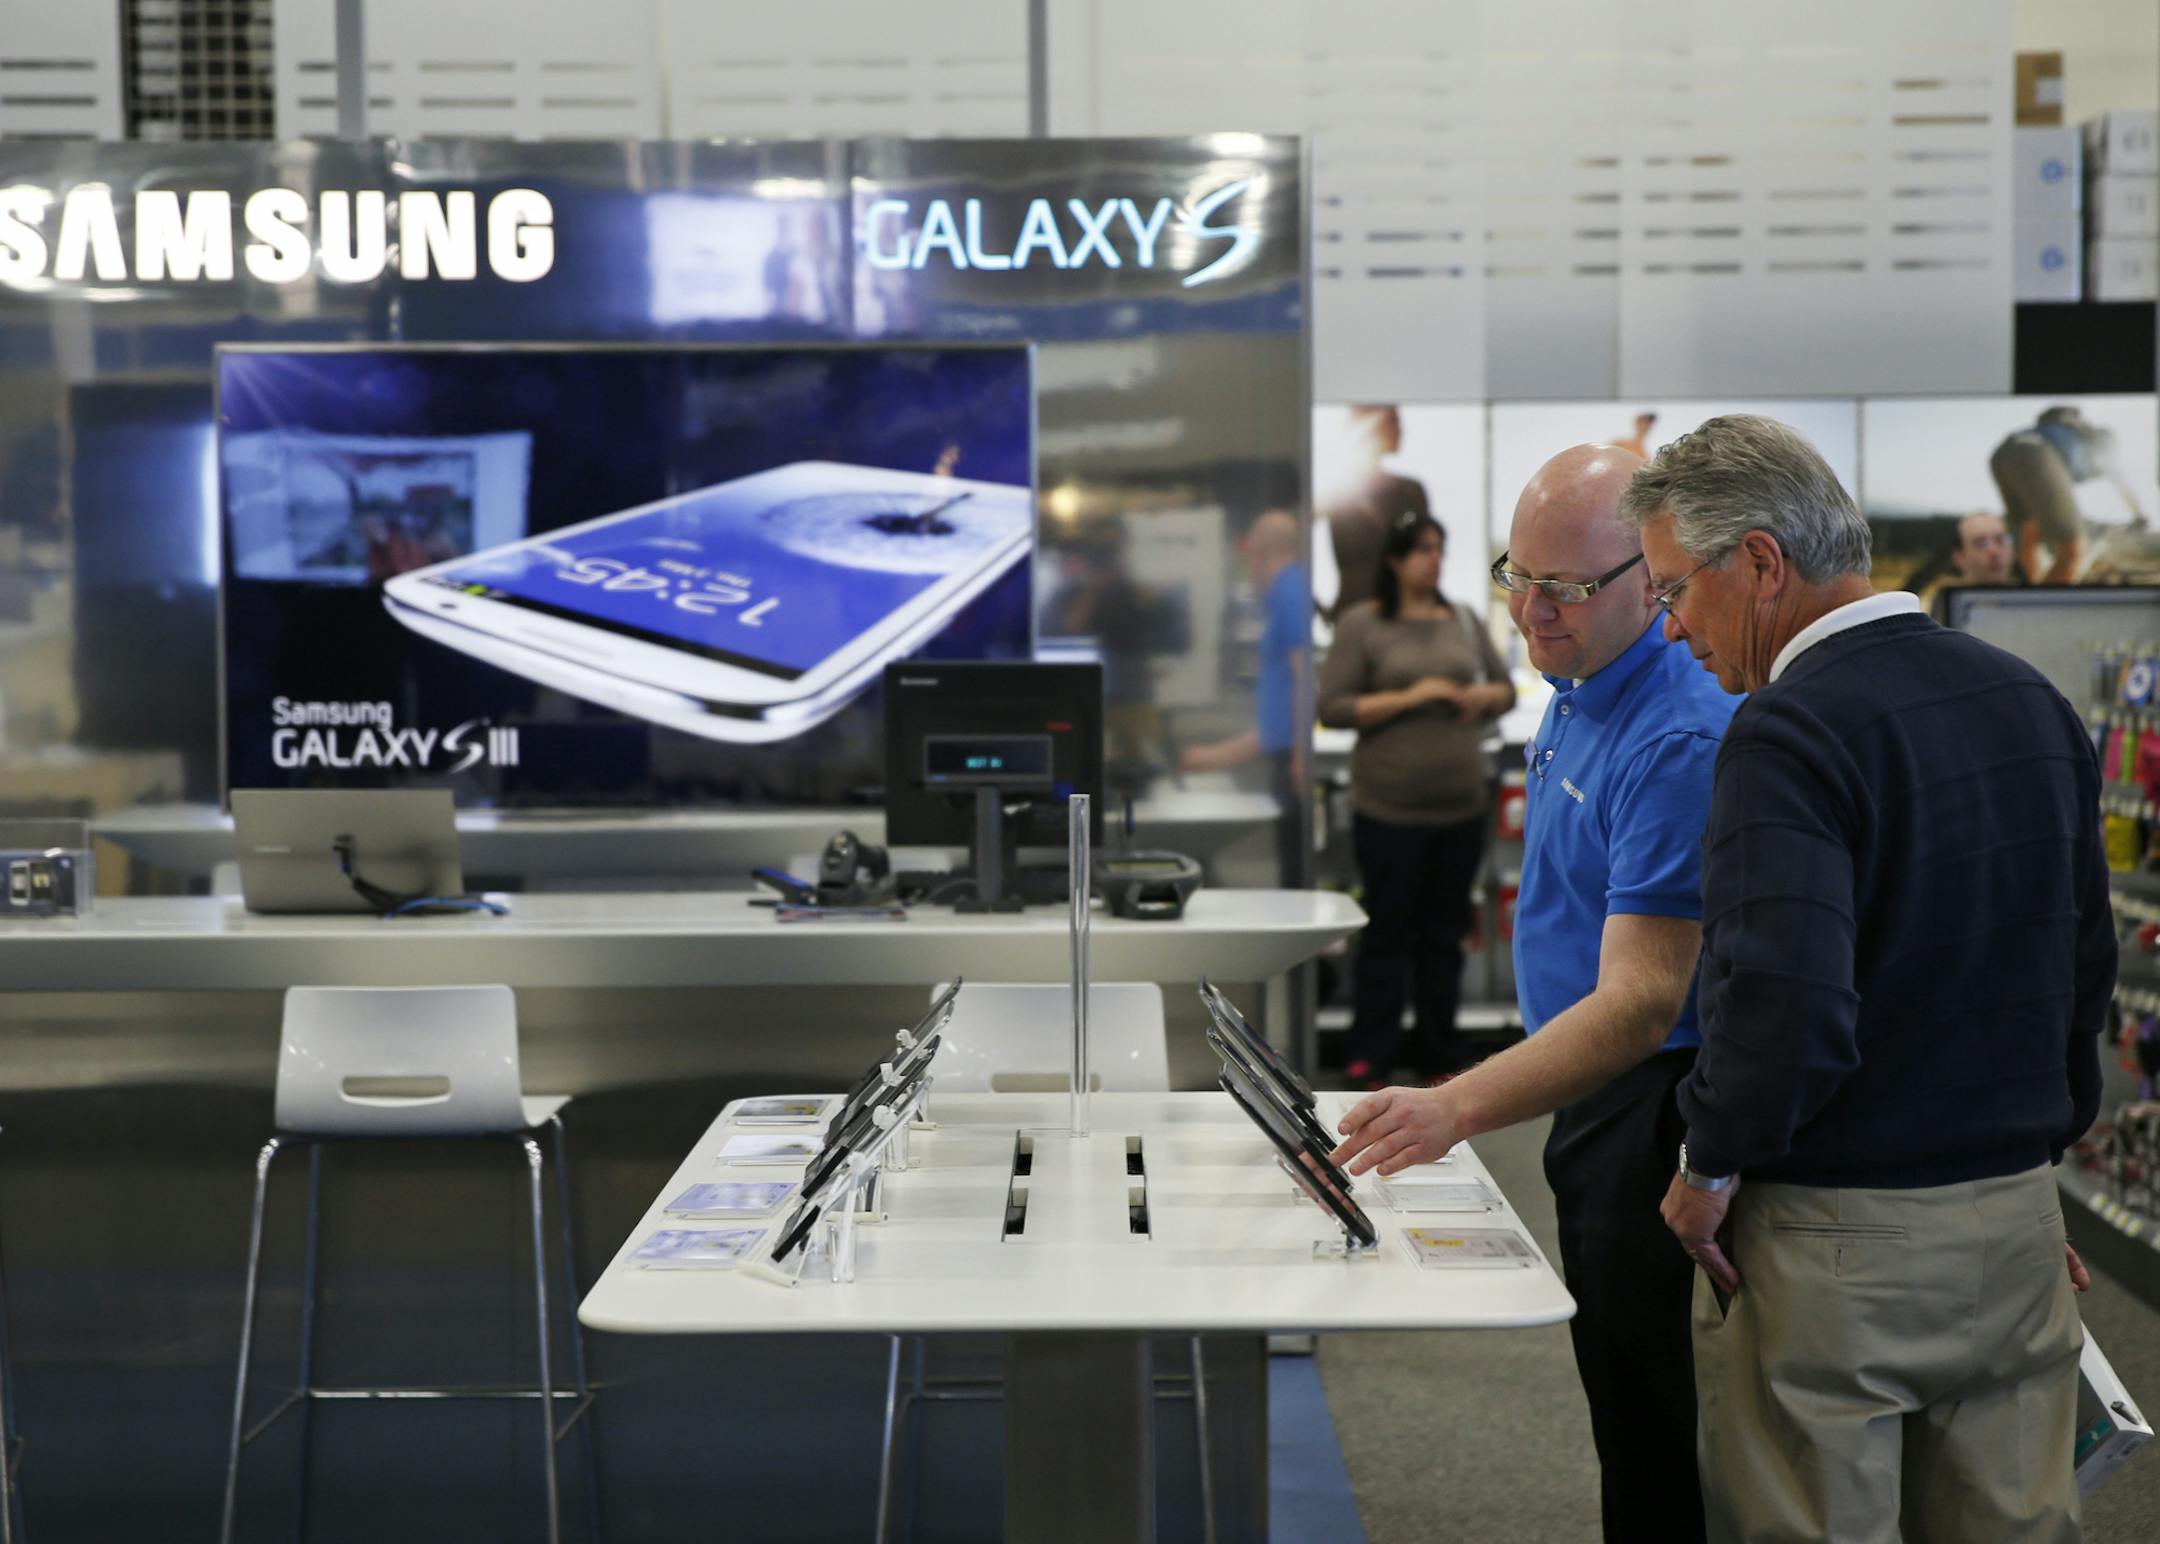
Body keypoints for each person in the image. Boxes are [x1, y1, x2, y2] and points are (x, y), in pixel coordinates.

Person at [1628, 414, 2113, 1544]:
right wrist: (2025, 1160)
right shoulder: (2028, 699)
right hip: (2016, 1223)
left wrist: (1705, 1167)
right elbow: (2080, 963)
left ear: (1758, 562)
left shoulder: (1785, 730)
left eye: (1672, 590)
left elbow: (1780, 1002)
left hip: (1833, 1238)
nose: (1671, 628)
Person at [1332, 445, 1736, 1544]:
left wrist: (1456, 1105)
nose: (1532, 610)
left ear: (1651, 578)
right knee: (1620, 1386)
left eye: (1567, 588)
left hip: (1650, 1099)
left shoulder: (1679, 733)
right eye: (1521, 574)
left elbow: (1645, 1000)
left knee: (1653, 1405)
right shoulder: (1580, 678)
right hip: (1590, 1087)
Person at [1317, 510, 1515, 1087]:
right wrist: (1413, 696)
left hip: (1459, 805)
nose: (1435, 559)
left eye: (1439, 548)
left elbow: (1504, 688)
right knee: (1387, 933)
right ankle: (1371, 1054)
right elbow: (1333, 708)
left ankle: (1440, 1054)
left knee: (1444, 936)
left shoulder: (1463, 618)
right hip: (1389, 809)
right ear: (1396, 561)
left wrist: (1482, 696)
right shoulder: (1364, 623)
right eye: (1423, 549)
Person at [1181, 510, 1311, 885]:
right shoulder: (1288, 593)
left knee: (1294, 872)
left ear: (1261, 553)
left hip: (1293, 764)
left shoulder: (1289, 591)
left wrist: (1302, 756)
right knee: (1289, 867)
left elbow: (1304, 679)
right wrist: (1217, 756)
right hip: (1287, 757)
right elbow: (1277, 719)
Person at [1990, 404, 2147, 586]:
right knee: (2073, 548)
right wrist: (2140, 515)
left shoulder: (2061, 432)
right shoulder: (2105, 453)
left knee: (2030, 533)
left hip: (2002, 454)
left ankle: (2033, 594)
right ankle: (2046, 610)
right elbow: (2127, 491)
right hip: (2038, 454)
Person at [1319, 405, 1431, 619]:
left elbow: (1425, 553)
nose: (1401, 430)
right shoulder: (1338, 492)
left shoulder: (1409, 491)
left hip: (1399, 615)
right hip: (1356, 612)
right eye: (1393, 422)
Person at [1916, 510, 2022, 616]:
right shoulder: (1947, 609)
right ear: (1959, 558)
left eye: (2000, 540)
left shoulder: (2028, 603)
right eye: (1981, 543)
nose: (1994, 552)